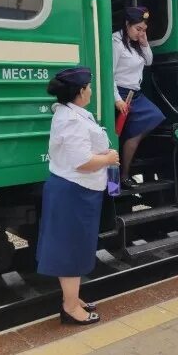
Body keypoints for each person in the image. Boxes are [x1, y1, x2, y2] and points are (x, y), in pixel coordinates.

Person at [36, 67, 120, 325]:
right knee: (71, 249)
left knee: (75, 246)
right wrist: (109, 158)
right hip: (74, 191)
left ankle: (72, 298)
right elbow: (81, 161)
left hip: (77, 191)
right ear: (80, 92)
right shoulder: (71, 120)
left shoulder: (72, 114)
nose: (92, 91)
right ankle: (70, 307)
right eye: (89, 87)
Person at [113, 6, 166, 190]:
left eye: (144, 29)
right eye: (138, 29)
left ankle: (125, 168)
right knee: (116, 138)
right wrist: (116, 100)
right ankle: (120, 179)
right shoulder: (116, 42)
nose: (141, 33)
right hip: (121, 94)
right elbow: (109, 73)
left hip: (135, 95)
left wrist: (144, 42)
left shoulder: (136, 42)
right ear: (127, 24)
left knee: (155, 115)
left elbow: (149, 61)